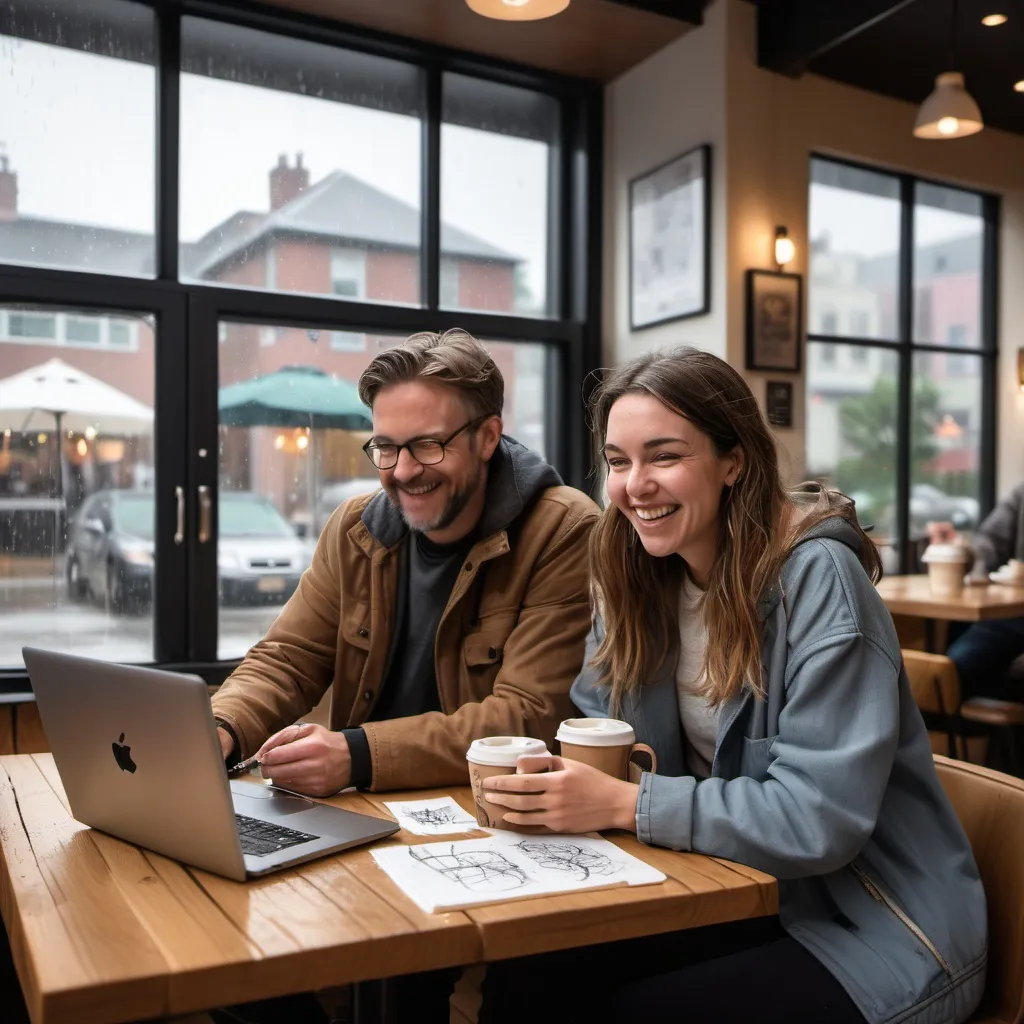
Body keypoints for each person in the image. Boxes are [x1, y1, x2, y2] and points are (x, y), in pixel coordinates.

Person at [479, 348, 986, 1024]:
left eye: (664, 457)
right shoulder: (637, 573)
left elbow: (817, 819)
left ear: (734, 461)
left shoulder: (820, 581)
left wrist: (625, 804)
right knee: (527, 969)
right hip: (735, 891)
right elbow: (609, 730)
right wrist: (567, 783)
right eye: (620, 462)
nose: (634, 487)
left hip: (876, 928)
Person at [208, 329, 598, 1022]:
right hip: (362, 814)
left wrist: (355, 754)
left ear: (487, 437)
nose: (401, 470)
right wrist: (220, 728)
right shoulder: (356, 526)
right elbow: (287, 657)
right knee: (233, 954)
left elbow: (526, 717)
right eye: (385, 446)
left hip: (482, 832)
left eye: (427, 445)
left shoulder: (562, 529)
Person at [932, 483, 1024, 699]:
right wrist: (959, 549)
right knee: (944, 634)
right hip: (1005, 611)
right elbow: (989, 542)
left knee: (956, 665)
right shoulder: (1020, 494)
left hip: (1013, 618)